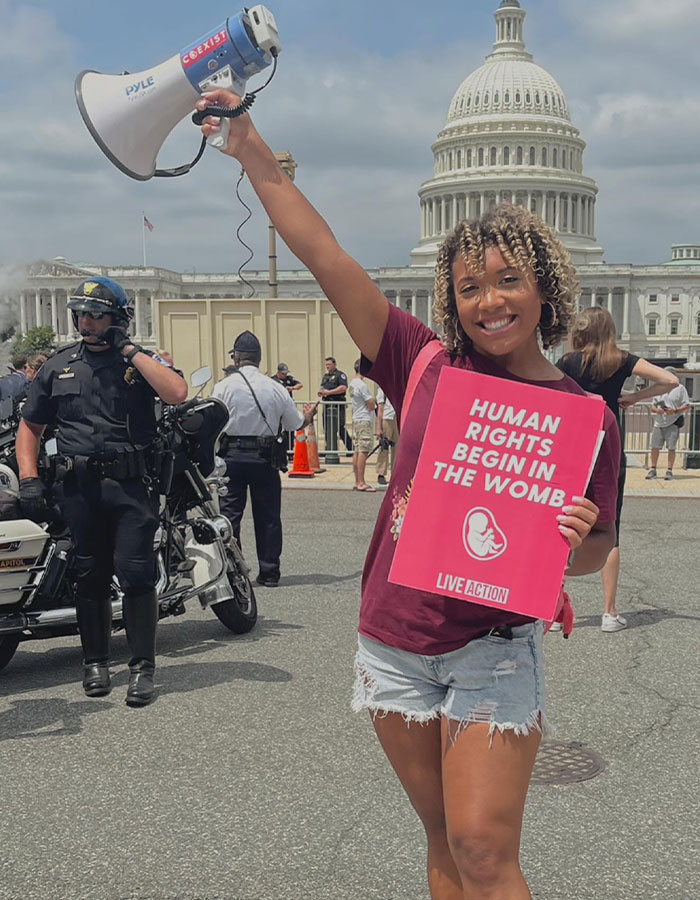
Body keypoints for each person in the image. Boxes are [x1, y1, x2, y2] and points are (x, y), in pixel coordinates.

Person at [198, 92, 620, 899]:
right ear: (448, 298)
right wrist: (251, 148)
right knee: (442, 842)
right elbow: (323, 254)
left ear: (544, 287)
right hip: (394, 640)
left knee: (485, 849)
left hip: (493, 649)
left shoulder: (581, 414)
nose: (488, 300)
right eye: (468, 286)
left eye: (507, 280)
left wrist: (578, 539)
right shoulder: (420, 361)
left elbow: (594, 549)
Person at [16, 277, 187, 707]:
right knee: (87, 577)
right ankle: (95, 663)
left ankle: (142, 668)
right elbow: (30, 427)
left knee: (136, 575)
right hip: (78, 488)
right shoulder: (58, 366)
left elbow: (177, 393)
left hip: (130, 487)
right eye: (83, 315)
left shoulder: (137, 362)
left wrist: (128, 349)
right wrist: (29, 477)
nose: (88, 322)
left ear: (117, 318)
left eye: (98, 314)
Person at [557, 307, 679, 632]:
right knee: (609, 529)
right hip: (608, 448)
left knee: (561, 526)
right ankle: (609, 613)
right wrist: (636, 397)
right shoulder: (621, 359)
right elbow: (670, 380)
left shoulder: (568, 362)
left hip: (571, 448)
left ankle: (553, 608)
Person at [212, 331, 316, 587]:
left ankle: (232, 570)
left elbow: (212, 423)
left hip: (231, 457)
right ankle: (269, 572)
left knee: (229, 515)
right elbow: (294, 423)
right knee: (268, 516)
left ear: (236, 358)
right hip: (264, 457)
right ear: (259, 359)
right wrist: (309, 417)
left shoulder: (223, 386)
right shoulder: (275, 387)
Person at [646, 371, 690, 481]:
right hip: (659, 422)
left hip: (673, 422)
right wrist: (657, 410)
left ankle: (669, 470)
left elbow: (686, 405)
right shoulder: (659, 388)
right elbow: (653, 405)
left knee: (671, 447)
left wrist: (675, 411)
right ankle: (653, 469)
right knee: (654, 446)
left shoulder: (680, 388)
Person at [349, 360, 376, 491]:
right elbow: (370, 403)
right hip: (364, 418)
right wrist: (373, 401)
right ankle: (361, 481)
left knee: (357, 449)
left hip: (356, 418)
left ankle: (356, 480)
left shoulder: (352, 383)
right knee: (363, 450)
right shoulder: (362, 385)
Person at [319, 357, 352, 455]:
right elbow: (322, 387)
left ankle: (350, 448)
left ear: (334, 364)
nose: (327, 367)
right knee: (327, 427)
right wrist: (322, 392)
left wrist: (329, 392)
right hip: (327, 404)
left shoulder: (340, 375)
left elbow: (343, 388)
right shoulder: (325, 376)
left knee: (339, 427)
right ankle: (329, 448)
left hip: (337, 404)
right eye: (326, 365)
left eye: (329, 365)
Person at [270, 362, 303, 453]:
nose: (285, 375)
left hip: (288, 406)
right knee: (278, 429)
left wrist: (291, 388)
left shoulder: (289, 379)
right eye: (283, 373)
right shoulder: (273, 380)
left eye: (286, 373)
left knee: (290, 428)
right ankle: (279, 450)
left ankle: (290, 449)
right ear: (279, 372)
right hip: (277, 407)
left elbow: (300, 385)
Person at [375, 386, 398, 486]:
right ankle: (381, 473)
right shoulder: (382, 391)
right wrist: (379, 427)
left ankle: (395, 473)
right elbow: (380, 410)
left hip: (396, 419)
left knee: (396, 448)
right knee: (384, 447)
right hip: (386, 419)